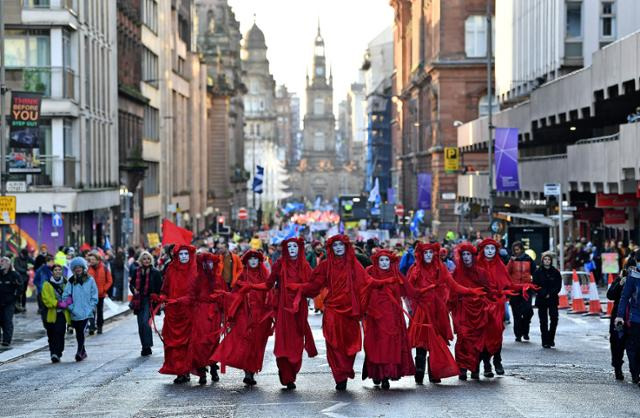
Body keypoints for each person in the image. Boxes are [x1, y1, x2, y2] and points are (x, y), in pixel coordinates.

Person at [405, 242, 483, 384]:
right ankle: (420, 371)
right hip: (422, 310)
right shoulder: (415, 269)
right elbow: (408, 290)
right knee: (422, 342)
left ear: (435, 254)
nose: (428, 255)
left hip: (437, 311)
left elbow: (454, 286)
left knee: (437, 341)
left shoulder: (441, 269)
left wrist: (471, 291)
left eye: (430, 252)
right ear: (421, 255)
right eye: (425, 253)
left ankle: (435, 372)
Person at [303, 235, 368, 391]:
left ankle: (345, 369)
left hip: (350, 311)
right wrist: (297, 289)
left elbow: (365, 284)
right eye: (335, 245)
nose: (338, 247)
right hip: (332, 309)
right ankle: (339, 375)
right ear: (331, 248)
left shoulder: (354, 265)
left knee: (351, 343)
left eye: (341, 245)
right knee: (333, 343)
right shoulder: (325, 266)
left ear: (346, 247)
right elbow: (314, 285)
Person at [212, 250, 274, 386]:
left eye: (255, 259)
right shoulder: (242, 275)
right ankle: (248, 372)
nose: (253, 261)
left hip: (260, 316)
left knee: (257, 344)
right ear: (246, 261)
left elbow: (270, 293)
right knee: (244, 343)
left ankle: (251, 371)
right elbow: (234, 294)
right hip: (244, 314)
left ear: (259, 261)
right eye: (250, 259)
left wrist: (270, 313)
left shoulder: (265, 275)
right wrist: (226, 295)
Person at [267, 238, 317, 390]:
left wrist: (299, 288)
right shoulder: (279, 264)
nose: (292, 248)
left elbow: (312, 287)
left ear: (300, 248)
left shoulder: (305, 266)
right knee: (282, 343)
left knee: (296, 343)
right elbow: (268, 284)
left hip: (299, 310)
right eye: (289, 246)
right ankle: (286, 373)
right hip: (283, 310)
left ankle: (292, 370)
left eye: (295, 246)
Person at [361, 250, 415, 389]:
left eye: (387, 260)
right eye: (382, 260)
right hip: (375, 316)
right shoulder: (370, 273)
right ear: (377, 261)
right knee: (376, 345)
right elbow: (362, 291)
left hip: (393, 316)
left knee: (390, 345)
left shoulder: (397, 275)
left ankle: (385, 375)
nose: (384, 263)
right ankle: (377, 374)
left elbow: (411, 292)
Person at [156, 245, 196, 384]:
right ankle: (179, 371)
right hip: (173, 313)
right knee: (173, 344)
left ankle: (186, 369)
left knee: (187, 343)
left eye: (186, 253)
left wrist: (185, 299)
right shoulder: (171, 269)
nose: (184, 256)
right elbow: (165, 288)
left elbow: (198, 291)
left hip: (189, 312)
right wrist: (162, 297)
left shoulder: (195, 270)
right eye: (181, 254)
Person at [451, 243, 491, 380]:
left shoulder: (481, 272)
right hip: (462, 310)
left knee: (476, 340)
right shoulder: (457, 272)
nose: (466, 257)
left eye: (468, 254)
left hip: (478, 311)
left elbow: (488, 290)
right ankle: (462, 368)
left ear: (473, 256)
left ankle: (474, 368)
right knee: (463, 338)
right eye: (464, 255)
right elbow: (452, 290)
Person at [476, 238, 515, 377]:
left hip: (497, 305)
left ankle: (497, 360)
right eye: (487, 248)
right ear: (483, 250)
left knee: (497, 333)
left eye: (492, 249)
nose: (490, 251)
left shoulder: (500, 265)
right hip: (481, 305)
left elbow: (507, 284)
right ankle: (487, 364)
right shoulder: (477, 265)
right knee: (483, 335)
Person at [189, 252, 225, 385]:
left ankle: (213, 368)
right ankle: (202, 372)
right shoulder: (197, 278)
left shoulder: (218, 278)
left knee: (213, 341)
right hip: (200, 313)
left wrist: (223, 310)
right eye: (206, 262)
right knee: (199, 343)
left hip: (214, 314)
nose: (208, 265)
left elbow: (224, 295)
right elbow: (192, 296)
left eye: (211, 262)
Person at [62, 257, 98, 361]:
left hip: (87, 312)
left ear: (83, 268)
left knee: (82, 331)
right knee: (78, 333)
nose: (78, 269)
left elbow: (94, 295)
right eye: (75, 267)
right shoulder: (71, 281)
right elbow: (65, 296)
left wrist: (90, 307)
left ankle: (79, 352)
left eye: (80, 267)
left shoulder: (90, 280)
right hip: (75, 312)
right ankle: (83, 352)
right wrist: (71, 307)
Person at [129, 251, 162, 357]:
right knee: (140, 324)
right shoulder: (136, 271)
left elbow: (159, 287)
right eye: (144, 259)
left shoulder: (155, 272)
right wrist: (134, 290)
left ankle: (148, 346)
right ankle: (144, 346)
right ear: (140, 260)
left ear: (151, 260)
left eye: (148, 259)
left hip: (149, 300)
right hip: (139, 300)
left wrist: (156, 296)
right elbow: (132, 284)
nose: (146, 261)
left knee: (145, 323)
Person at [608, 255, 635, 381]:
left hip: (633, 318)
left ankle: (635, 371)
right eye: (630, 268)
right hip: (619, 317)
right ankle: (617, 368)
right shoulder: (621, 279)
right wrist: (620, 283)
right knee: (617, 345)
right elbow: (610, 295)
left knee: (633, 346)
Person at [615, 252, 640, 386]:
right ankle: (635, 373)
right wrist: (619, 316)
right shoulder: (633, 277)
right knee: (633, 348)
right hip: (635, 318)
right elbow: (624, 297)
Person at [507, 241, 536, 342]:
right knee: (516, 313)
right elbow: (506, 272)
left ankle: (525, 331)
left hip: (526, 289)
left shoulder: (528, 259)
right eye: (514, 250)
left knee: (528, 311)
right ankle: (518, 334)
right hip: (514, 289)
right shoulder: (512, 260)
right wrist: (511, 261)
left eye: (517, 249)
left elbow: (535, 272)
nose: (516, 252)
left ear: (521, 249)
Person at [40, 264, 71, 362]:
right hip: (50, 314)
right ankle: (53, 353)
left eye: (59, 270)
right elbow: (46, 299)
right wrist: (57, 303)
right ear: (52, 272)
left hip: (63, 313)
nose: (58, 272)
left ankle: (58, 352)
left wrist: (68, 302)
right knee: (51, 334)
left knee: (60, 333)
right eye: (55, 270)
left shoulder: (66, 283)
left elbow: (71, 294)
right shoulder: (47, 284)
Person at [532, 252, 562, 349]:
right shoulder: (538, 272)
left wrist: (551, 293)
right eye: (545, 259)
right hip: (542, 299)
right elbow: (535, 285)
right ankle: (544, 340)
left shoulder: (556, 272)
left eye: (549, 259)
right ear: (542, 260)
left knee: (554, 318)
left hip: (553, 298)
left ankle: (551, 338)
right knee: (543, 320)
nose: (547, 261)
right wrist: (543, 293)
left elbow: (558, 286)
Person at [87, 251, 113, 335]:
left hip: (100, 294)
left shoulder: (104, 268)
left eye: (94, 259)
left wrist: (104, 289)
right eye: (91, 260)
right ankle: (91, 327)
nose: (92, 261)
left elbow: (109, 281)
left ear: (98, 260)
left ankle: (99, 326)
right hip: (90, 294)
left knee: (100, 311)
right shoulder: (87, 269)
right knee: (91, 311)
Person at [0, 257, 20, 347]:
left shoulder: (14, 275)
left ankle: (6, 340)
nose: (2, 263)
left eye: (3, 262)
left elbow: (20, 287)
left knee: (7, 321)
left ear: (8, 264)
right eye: (1, 262)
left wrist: (14, 297)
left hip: (9, 303)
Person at [14, 248, 33, 313]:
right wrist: (25, 271)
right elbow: (17, 267)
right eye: (24, 255)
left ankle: (23, 305)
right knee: (19, 292)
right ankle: (18, 305)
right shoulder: (17, 259)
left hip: (25, 278)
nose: (25, 256)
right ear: (21, 254)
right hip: (19, 278)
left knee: (24, 292)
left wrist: (31, 267)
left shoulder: (27, 258)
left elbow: (34, 262)